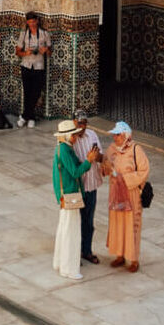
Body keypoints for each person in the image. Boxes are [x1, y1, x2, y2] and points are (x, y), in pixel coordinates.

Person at [52, 119, 101, 281]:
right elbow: (75, 172)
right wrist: (89, 161)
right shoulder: (65, 150)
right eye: (73, 135)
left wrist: (87, 159)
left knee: (66, 230)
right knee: (70, 232)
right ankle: (68, 268)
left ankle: (61, 263)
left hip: (68, 195)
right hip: (70, 195)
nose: (75, 138)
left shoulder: (64, 148)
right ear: (66, 136)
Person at [101, 121, 150, 272]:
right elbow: (105, 167)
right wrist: (105, 167)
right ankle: (120, 255)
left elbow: (144, 171)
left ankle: (133, 259)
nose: (115, 138)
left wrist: (125, 179)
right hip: (116, 193)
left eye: (117, 135)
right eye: (114, 135)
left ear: (125, 136)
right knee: (117, 222)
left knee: (132, 224)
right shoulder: (112, 149)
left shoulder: (136, 150)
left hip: (131, 193)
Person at [72, 110, 105, 265]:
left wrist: (96, 156)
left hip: (91, 185)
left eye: (84, 123)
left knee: (88, 221)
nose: (82, 126)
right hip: (77, 187)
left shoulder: (91, 135)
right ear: (73, 122)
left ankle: (87, 251)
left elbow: (101, 157)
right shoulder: (70, 139)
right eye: (80, 123)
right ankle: (73, 253)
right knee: (74, 222)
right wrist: (87, 160)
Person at [15, 11, 51, 125]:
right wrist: (26, 53)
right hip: (26, 66)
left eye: (34, 22)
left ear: (37, 21)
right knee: (27, 92)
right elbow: (17, 52)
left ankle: (25, 116)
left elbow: (50, 52)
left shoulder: (44, 34)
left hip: (39, 67)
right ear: (27, 22)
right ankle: (30, 118)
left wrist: (45, 50)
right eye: (30, 22)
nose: (32, 25)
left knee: (36, 92)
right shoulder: (24, 34)